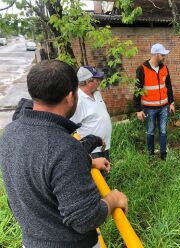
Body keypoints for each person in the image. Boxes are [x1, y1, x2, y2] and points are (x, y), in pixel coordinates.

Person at [0, 60, 128, 248]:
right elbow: (85, 219)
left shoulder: (10, 133)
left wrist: (88, 162)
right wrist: (113, 198)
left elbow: (41, 168)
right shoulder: (65, 147)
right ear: (70, 96)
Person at [134, 43, 175, 160]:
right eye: (162, 54)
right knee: (150, 131)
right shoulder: (142, 69)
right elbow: (137, 90)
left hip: (164, 107)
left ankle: (163, 155)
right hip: (149, 108)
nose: (164, 57)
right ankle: (150, 156)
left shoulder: (164, 68)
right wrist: (138, 110)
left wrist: (171, 102)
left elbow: (169, 86)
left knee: (163, 131)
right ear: (156, 54)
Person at [71, 66, 112, 160]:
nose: (99, 82)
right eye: (96, 80)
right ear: (88, 82)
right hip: (92, 151)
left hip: (104, 146)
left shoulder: (97, 93)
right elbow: (70, 126)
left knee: (106, 173)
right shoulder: (77, 100)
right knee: (96, 174)